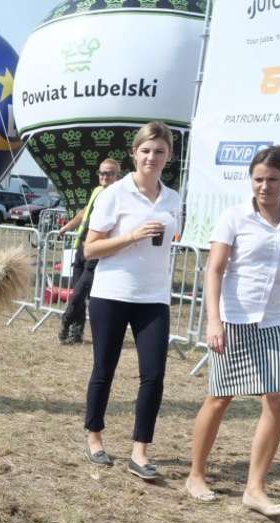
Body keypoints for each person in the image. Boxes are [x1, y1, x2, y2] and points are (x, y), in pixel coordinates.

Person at [185, 146, 280, 514]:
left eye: (273, 179)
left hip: (274, 318)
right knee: (220, 397)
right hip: (234, 317)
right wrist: (213, 321)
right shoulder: (234, 217)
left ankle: (255, 488)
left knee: (278, 398)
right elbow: (214, 270)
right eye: (258, 179)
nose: (264, 186)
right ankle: (196, 474)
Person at [81, 121, 183, 480]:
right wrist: (133, 235)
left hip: (154, 297)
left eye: (159, 151)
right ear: (134, 154)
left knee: (154, 375)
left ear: (169, 156)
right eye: (145, 150)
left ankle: (140, 451)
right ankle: (95, 436)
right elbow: (90, 248)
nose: (152, 157)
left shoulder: (173, 199)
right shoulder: (114, 194)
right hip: (112, 293)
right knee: (104, 369)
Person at [57, 157, 122, 344]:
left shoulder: (119, 196)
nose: (104, 176)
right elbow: (83, 213)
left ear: (117, 175)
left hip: (97, 251)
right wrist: (66, 227)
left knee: (79, 292)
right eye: (102, 173)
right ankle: (76, 333)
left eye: (109, 173)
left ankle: (67, 318)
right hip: (82, 247)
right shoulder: (97, 191)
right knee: (77, 290)